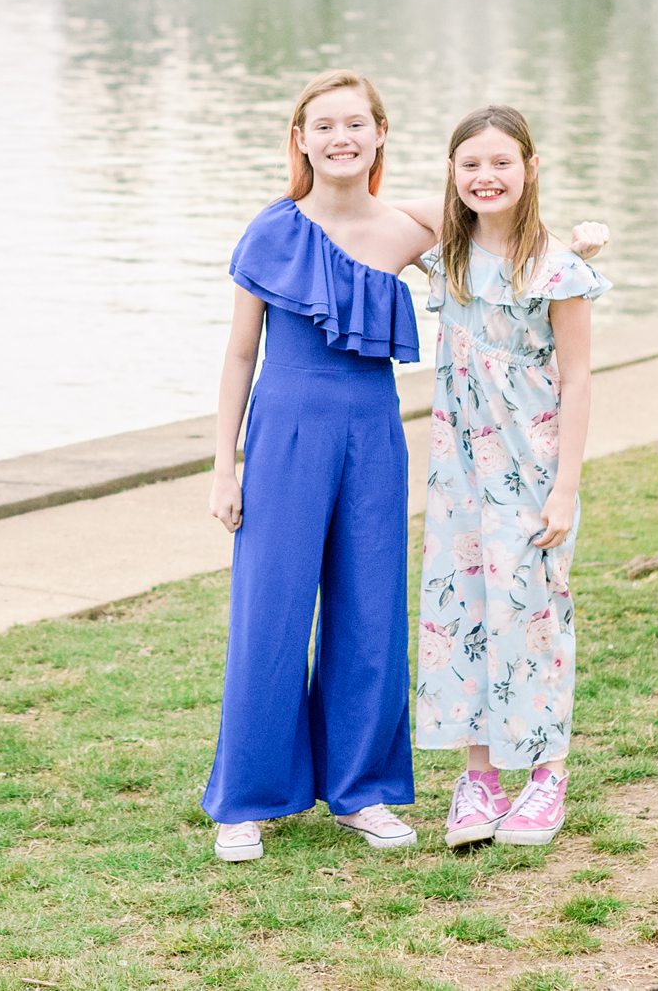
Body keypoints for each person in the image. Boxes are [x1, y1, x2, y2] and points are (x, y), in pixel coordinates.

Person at [202, 71, 430, 862]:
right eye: (323, 124)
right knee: (270, 613)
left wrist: (575, 241)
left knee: (371, 612)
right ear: (300, 139)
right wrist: (223, 467)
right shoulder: (271, 232)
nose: (340, 136)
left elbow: (500, 225)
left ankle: (362, 791)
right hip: (286, 433)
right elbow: (238, 357)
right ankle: (247, 799)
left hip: (374, 435)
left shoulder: (407, 230)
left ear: (378, 134)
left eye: (355, 123)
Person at [414, 104, 608, 850]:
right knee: (461, 609)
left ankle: (544, 774)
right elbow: (366, 212)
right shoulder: (448, 258)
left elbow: (581, 379)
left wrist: (566, 485)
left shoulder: (557, 268)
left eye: (501, 162)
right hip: (459, 472)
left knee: (532, 610)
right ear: (453, 175)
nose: (485, 176)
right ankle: (479, 777)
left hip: (531, 465)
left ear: (531, 168)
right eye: (470, 164)